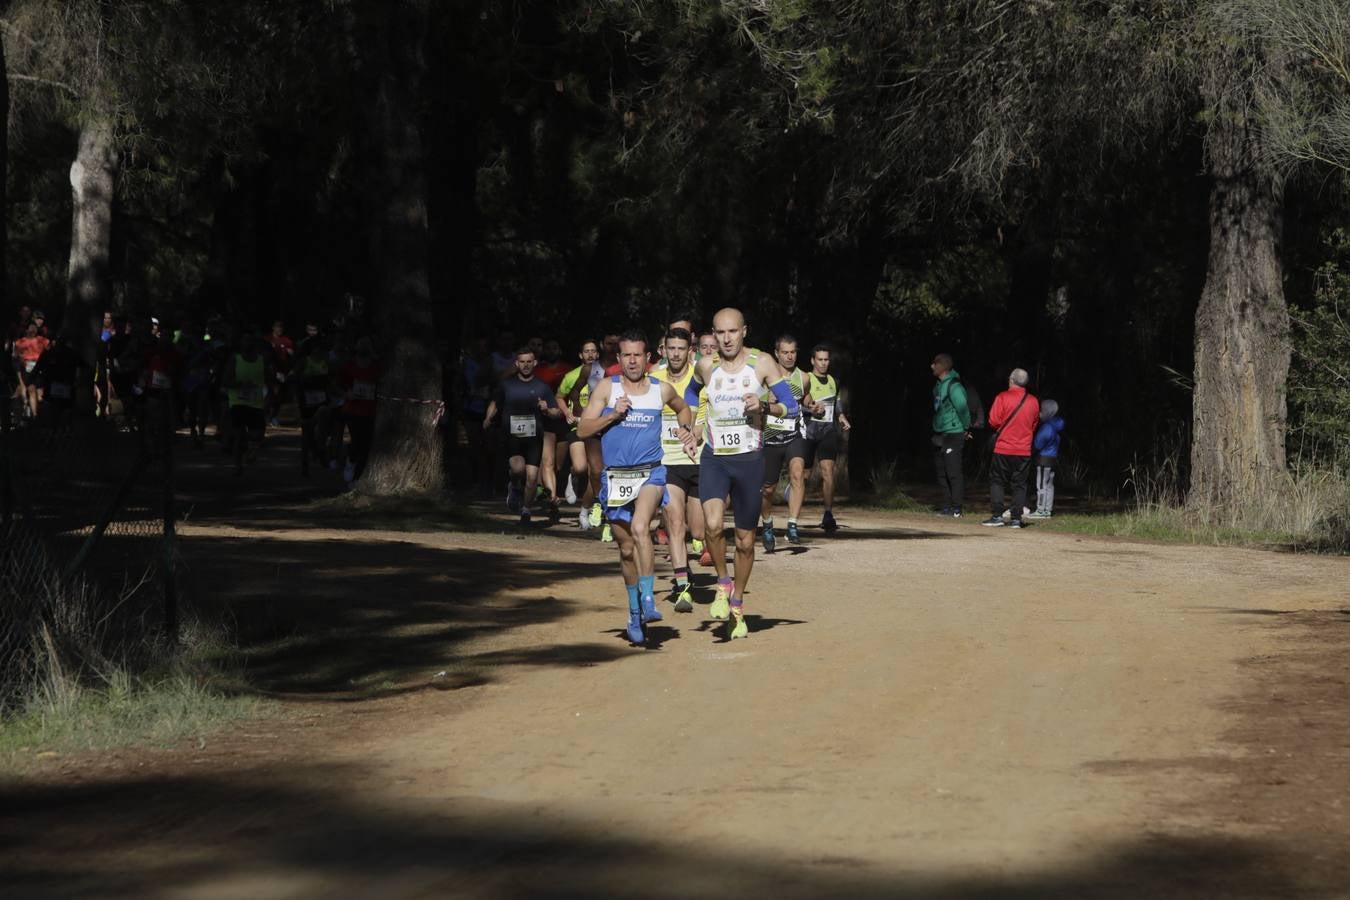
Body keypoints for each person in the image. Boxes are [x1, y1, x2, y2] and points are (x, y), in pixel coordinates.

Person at [684, 308, 801, 639]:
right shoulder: (705, 365)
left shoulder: (762, 363)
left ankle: (737, 602)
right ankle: (723, 583)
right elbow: (690, 395)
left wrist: (763, 406)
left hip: (749, 460)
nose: (726, 338)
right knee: (712, 525)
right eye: (720, 332)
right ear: (713, 333)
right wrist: (690, 425)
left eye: (732, 331)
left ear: (744, 331)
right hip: (715, 458)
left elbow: (790, 405)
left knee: (747, 542)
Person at [579, 328, 697, 645]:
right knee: (627, 548)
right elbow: (582, 429)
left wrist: (686, 430)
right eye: (626, 355)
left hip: (651, 474)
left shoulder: (660, 389)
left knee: (642, 526)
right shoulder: (607, 387)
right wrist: (612, 416)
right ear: (619, 359)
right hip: (615, 478)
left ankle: (648, 599)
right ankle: (634, 611)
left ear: (648, 358)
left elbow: (684, 408)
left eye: (638, 355)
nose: (632, 361)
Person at [654, 327, 707, 610]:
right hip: (667, 460)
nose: (675, 354)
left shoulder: (700, 376)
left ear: (690, 351)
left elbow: (706, 414)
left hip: (698, 459)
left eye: (680, 349)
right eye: (670, 348)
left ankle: (688, 569)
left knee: (698, 531)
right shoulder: (654, 378)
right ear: (663, 349)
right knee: (675, 523)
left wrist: (693, 433)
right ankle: (682, 584)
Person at [484, 347, 565, 525]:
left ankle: (526, 512)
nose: (526, 365)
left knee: (531, 477)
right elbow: (495, 404)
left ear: (535, 363)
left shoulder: (542, 387)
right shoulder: (507, 385)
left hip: (534, 439)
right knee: (518, 469)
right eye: (522, 362)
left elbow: (557, 413)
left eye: (529, 362)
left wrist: (547, 409)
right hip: (512, 437)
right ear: (517, 363)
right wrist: (488, 419)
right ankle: (514, 485)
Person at [759, 334, 807, 552]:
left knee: (797, 473)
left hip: (794, 435)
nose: (789, 356)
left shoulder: (804, 378)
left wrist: (812, 406)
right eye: (785, 352)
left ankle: (792, 525)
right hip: (770, 438)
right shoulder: (766, 377)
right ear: (776, 354)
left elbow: (805, 399)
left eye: (793, 352)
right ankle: (767, 523)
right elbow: (753, 404)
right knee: (768, 489)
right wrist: (764, 403)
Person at [800, 344, 851, 532]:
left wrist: (841, 416)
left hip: (827, 432)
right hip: (807, 431)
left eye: (826, 360)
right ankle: (794, 514)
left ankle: (828, 514)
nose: (823, 363)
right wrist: (810, 408)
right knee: (802, 476)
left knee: (828, 472)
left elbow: (836, 402)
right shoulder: (806, 379)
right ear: (813, 360)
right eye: (819, 359)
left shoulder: (833, 381)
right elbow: (797, 405)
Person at [983, 368, 1040, 529]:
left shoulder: (1002, 397)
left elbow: (993, 421)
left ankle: (997, 516)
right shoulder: (1033, 401)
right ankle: (1016, 518)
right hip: (1023, 450)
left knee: (997, 481)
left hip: (1003, 448)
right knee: (1020, 485)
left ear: (1011, 380)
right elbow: (1034, 424)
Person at [557, 339, 602, 526]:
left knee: (595, 473)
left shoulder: (603, 375)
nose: (590, 354)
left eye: (593, 351)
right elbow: (559, 397)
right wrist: (567, 412)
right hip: (576, 427)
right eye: (586, 351)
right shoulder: (571, 376)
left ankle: (585, 510)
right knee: (581, 467)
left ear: (597, 354)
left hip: (596, 429)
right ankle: (573, 475)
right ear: (580, 355)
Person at [223, 326, 272, 475]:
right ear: (241, 343)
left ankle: (251, 450)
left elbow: (270, 380)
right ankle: (238, 466)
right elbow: (226, 380)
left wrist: (269, 398)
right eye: (245, 341)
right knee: (239, 435)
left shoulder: (261, 361)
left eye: (251, 341)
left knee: (257, 434)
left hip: (256, 402)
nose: (248, 344)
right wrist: (240, 384)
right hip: (237, 402)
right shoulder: (235, 359)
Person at [930, 353, 972, 518]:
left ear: (942, 366)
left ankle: (957, 508)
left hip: (953, 435)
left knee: (953, 472)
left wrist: (966, 428)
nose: (932, 366)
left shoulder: (954, 386)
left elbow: (963, 409)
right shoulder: (938, 386)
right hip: (939, 434)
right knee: (941, 473)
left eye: (934, 363)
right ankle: (946, 506)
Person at [533, 338, 571, 516]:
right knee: (546, 462)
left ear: (560, 350)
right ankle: (551, 500)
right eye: (548, 348)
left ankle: (548, 493)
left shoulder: (567, 369)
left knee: (558, 465)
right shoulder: (538, 370)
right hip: (545, 421)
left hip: (563, 420)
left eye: (554, 347)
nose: (551, 350)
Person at [338, 337, 381, 485]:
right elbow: (339, 384)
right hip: (353, 409)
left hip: (370, 411)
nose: (364, 347)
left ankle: (357, 478)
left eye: (367, 344)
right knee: (356, 441)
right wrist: (347, 393)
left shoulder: (376, 366)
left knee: (366, 444)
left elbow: (381, 385)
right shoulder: (349, 365)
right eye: (361, 344)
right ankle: (350, 462)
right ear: (356, 347)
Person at [1027, 399, 1064, 519]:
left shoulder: (1047, 427)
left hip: (1043, 459)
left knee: (1041, 485)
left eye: (1041, 411)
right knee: (1049, 485)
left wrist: (1031, 450)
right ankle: (1047, 509)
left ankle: (1041, 510)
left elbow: (1038, 444)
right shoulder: (1056, 426)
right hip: (1053, 458)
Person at [13, 323, 50, 419]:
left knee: (39, 396)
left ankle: (37, 417)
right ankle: (27, 416)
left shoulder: (42, 340)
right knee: (26, 390)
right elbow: (15, 358)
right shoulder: (20, 342)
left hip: (39, 369)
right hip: (25, 370)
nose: (33, 330)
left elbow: (50, 350)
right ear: (26, 330)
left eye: (35, 328)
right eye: (31, 328)